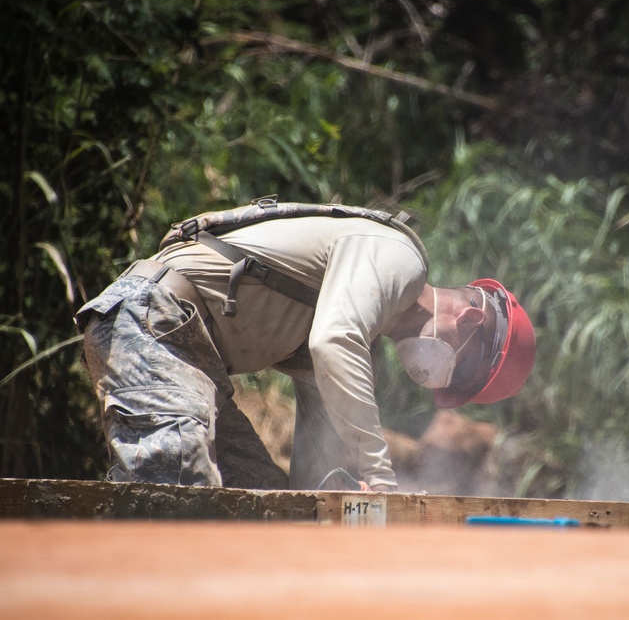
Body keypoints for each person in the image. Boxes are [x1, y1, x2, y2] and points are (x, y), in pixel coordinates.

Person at [76, 203, 535, 491]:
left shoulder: (356, 329)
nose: (441, 382)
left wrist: (342, 498)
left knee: (264, 506)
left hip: (189, 353)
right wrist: (379, 474)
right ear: (470, 320)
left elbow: (315, 472)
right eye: (462, 370)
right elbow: (334, 341)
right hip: (151, 320)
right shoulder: (401, 257)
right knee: (179, 492)